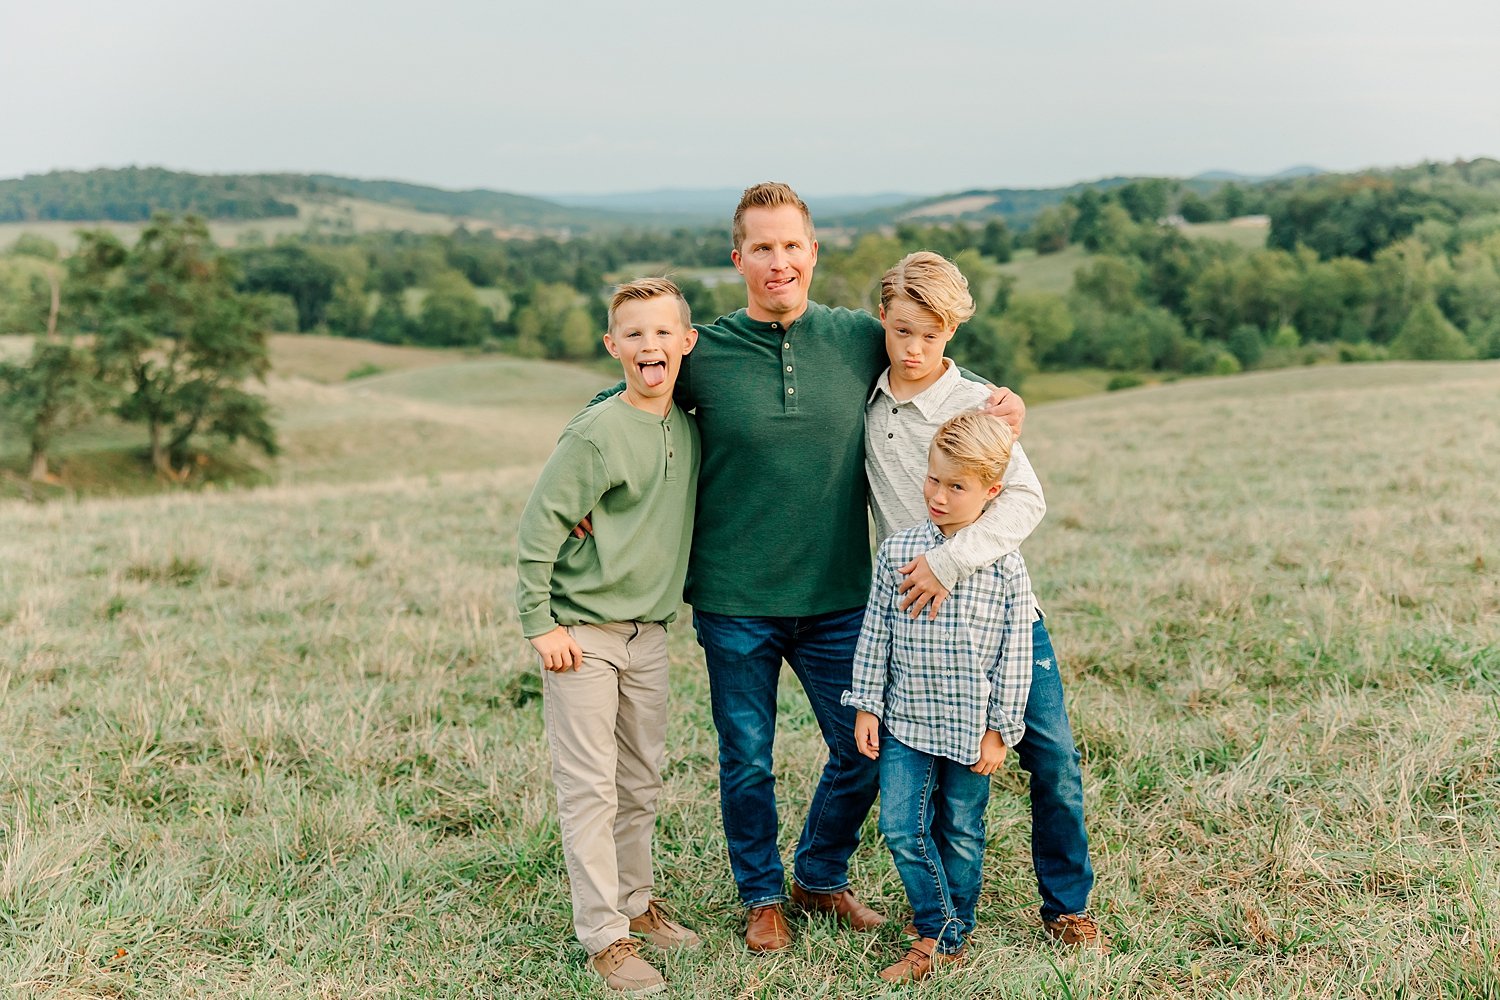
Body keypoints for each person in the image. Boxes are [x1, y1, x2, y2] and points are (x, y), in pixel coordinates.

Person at [592, 183, 1027, 952]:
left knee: (866, 747)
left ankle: (820, 876)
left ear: (813, 252)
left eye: (792, 245)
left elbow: (925, 354)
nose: (779, 261)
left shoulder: (857, 339)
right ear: (739, 260)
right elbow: (626, 394)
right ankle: (762, 897)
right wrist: (587, 487)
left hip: (839, 597)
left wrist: (999, 404)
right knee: (747, 761)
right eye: (762, 247)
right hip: (734, 599)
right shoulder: (708, 352)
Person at [860, 251, 1105, 954]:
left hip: (1000, 618)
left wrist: (947, 560)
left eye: (930, 337)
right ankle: (938, 914)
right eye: (902, 331)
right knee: (935, 782)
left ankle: (1066, 905)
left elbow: (1026, 498)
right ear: (883, 319)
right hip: (918, 625)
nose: (913, 349)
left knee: (1052, 758)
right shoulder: (865, 398)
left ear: (952, 333)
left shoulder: (975, 406)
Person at [515, 278, 703, 996]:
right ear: (612, 346)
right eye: (634, 334)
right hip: (582, 635)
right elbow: (538, 531)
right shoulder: (595, 431)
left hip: (649, 633)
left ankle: (636, 904)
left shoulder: (686, 423)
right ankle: (605, 938)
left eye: (663, 333)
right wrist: (543, 624)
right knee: (590, 787)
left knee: (641, 779)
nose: (649, 346)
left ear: (686, 343)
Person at [847, 411, 1034, 983]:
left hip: (971, 727)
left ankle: (949, 932)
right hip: (906, 721)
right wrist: (866, 704)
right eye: (934, 480)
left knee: (960, 828)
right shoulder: (899, 552)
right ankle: (937, 926)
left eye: (958, 487)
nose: (940, 495)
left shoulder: (1003, 567)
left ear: (990, 492)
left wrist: (1000, 730)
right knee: (901, 827)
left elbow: (1016, 655)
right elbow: (875, 631)